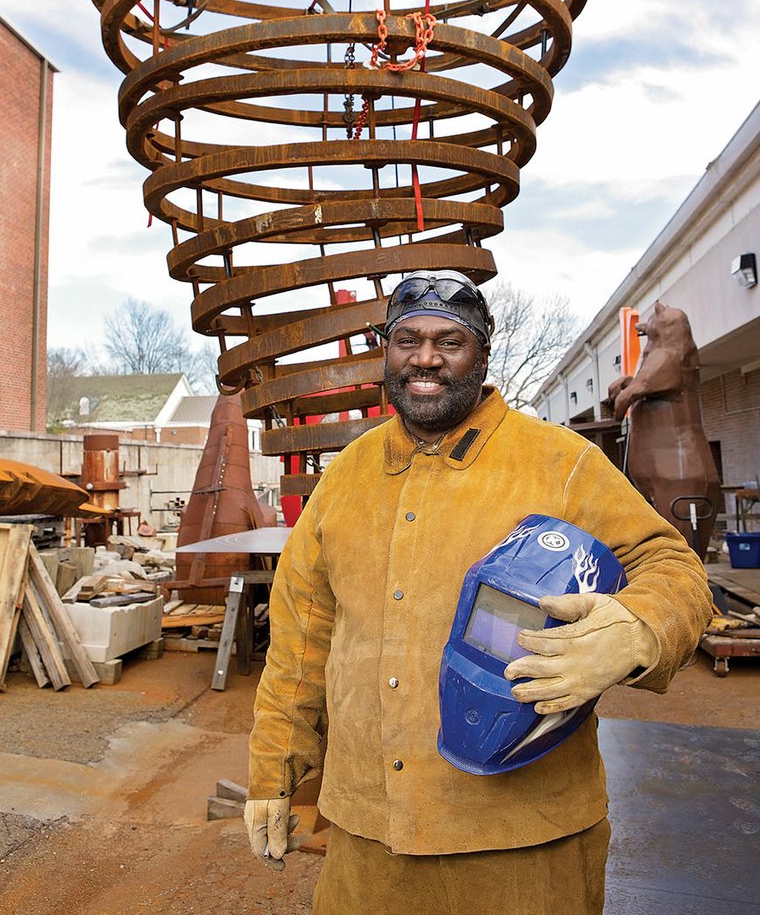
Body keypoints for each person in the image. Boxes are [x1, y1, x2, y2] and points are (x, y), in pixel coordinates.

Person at [244, 270, 712, 914]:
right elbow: (301, 639)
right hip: (368, 844)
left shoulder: (561, 462)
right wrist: (274, 772)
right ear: (387, 352)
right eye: (407, 340)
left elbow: (673, 566)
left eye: (449, 341)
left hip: (523, 843)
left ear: (483, 354)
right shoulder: (347, 475)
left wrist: (638, 629)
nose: (426, 358)